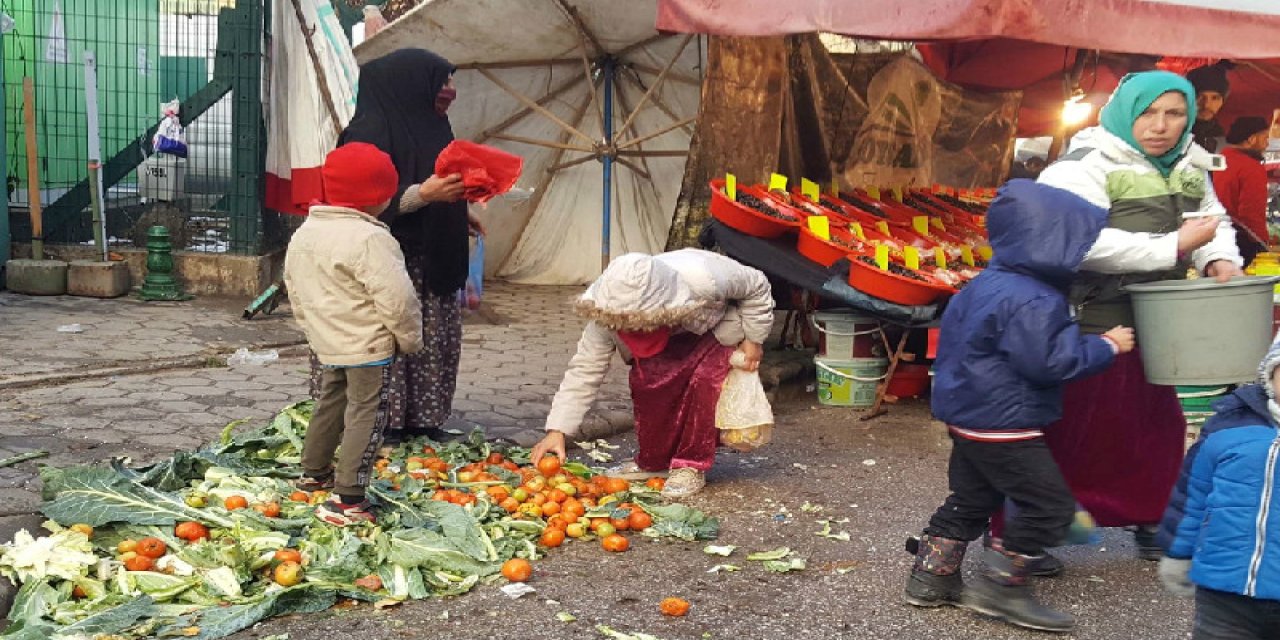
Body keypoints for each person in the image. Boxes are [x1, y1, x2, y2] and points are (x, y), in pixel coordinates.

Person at [1030, 70, 1244, 561]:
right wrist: (1172, 245)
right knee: (1073, 426)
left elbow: (1210, 220)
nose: (1161, 125)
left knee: (1153, 425)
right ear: (1125, 111)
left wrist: (1216, 257)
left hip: (1160, 322)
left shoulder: (1190, 162)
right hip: (1089, 319)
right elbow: (1074, 243)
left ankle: (1150, 513)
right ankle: (1033, 528)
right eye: (1148, 112)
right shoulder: (1083, 164)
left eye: (1174, 114)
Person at [904, 180, 1134, 632]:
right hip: (1005, 421)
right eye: (1077, 243)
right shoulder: (1036, 299)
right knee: (1048, 505)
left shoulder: (985, 284)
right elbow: (1051, 363)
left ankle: (931, 577)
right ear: (1051, 242)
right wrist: (1106, 346)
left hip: (968, 414)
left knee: (973, 496)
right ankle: (1004, 589)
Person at [313, 48, 479, 445]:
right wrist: (425, 195)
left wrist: (458, 211)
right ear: (407, 85)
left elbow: (438, 179)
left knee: (430, 338)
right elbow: (358, 205)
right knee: (388, 336)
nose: (450, 90)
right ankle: (377, 428)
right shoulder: (366, 133)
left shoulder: (436, 126)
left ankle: (423, 421)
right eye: (441, 82)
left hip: (432, 255)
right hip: (387, 261)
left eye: (450, 80)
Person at [529, 249, 774, 498]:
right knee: (648, 386)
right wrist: (557, 430)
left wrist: (755, 339)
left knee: (703, 382)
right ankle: (654, 461)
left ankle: (691, 465)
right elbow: (584, 369)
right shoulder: (605, 312)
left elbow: (757, 285)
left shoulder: (705, 277)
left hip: (711, 331)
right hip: (663, 341)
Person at [284, 142, 424, 525]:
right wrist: (410, 339)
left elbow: (293, 286)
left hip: (328, 341)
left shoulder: (306, 232)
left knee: (329, 402)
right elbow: (398, 300)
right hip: (368, 347)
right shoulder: (372, 239)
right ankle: (348, 498)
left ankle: (312, 475)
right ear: (381, 197)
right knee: (367, 413)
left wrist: (310, 328)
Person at [1156, 339, 1280, 639]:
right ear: (1270, 373)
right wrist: (1178, 552)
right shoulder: (1230, 424)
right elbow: (1193, 494)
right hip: (1224, 588)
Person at [1213, 116, 1273, 265]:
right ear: (1252, 139)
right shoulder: (1251, 167)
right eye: (1265, 138)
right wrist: (1262, 244)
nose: (1267, 143)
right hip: (1242, 241)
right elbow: (1251, 212)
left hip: (1214, 237)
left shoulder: (1218, 160)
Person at [1187, 63, 1230, 153]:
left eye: (1215, 98)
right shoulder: (1170, 133)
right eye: (1200, 97)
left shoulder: (1220, 137)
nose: (1206, 105)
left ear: (1222, 102)